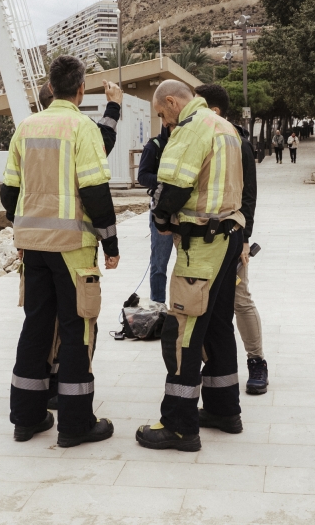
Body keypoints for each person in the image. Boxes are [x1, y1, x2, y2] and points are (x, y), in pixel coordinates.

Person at [0, 55, 119, 447]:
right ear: (81, 89)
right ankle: (75, 424)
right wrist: (111, 243)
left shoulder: (26, 128)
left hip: (32, 248)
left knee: (36, 327)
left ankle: (26, 418)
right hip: (73, 248)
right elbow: (95, 192)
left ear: (50, 87)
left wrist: (22, 225)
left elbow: (9, 192)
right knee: (76, 330)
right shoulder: (83, 128)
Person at [136, 80, 246, 452]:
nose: (164, 122)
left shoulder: (191, 127)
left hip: (200, 244)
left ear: (171, 101)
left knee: (181, 333)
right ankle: (223, 410)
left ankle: (179, 424)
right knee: (217, 326)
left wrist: (163, 223)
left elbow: (173, 186)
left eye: (162, 114)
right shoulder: (224, 127)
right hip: (228, 236)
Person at [195, 84, 268, 395]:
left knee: (240, 299)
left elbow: (248, 195)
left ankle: (257, 362)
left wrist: (244, 240)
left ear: (214, 111)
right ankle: (212, 364)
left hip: (233, 236)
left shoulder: (238, 142)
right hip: (201, 241)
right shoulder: (198, 139)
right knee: (202, 304)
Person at [137, 124, 174, 303]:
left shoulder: (190, 145)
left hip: (187, 212)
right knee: (159, 264)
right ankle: (158, 308)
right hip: (161, 212)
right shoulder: (155, 146)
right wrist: (165, 179)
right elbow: (142, 176)